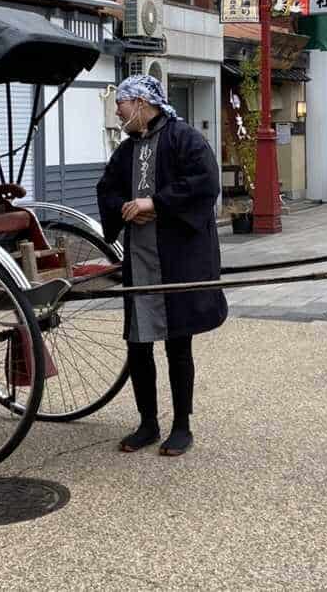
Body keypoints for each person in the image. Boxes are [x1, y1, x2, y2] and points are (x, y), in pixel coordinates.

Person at [96, 74, 228, 457]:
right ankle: (147, 422)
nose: (117, 111)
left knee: (177, 343)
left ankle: (182, 425)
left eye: (121, 103)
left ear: (141, 101)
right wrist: (126, 207)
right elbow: (107, 188)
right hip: (139, 257)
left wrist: (155, 202)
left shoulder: (183, 138)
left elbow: (205, 182)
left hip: (177, 256)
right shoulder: (127, 149)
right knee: (138, 343)